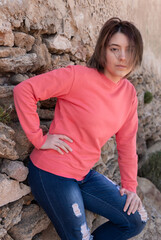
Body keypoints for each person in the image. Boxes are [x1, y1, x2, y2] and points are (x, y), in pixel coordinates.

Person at [13, 17, 148, 240]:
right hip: (52, 172)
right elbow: (24, 91)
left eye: (130, 50)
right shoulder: (77, 76)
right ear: (102, 50)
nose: (123, 57)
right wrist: (40, 139)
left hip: (83, 175)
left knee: (136, 219)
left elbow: (126, 144)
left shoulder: (129, 94)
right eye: (115, 49)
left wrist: (130, 187)